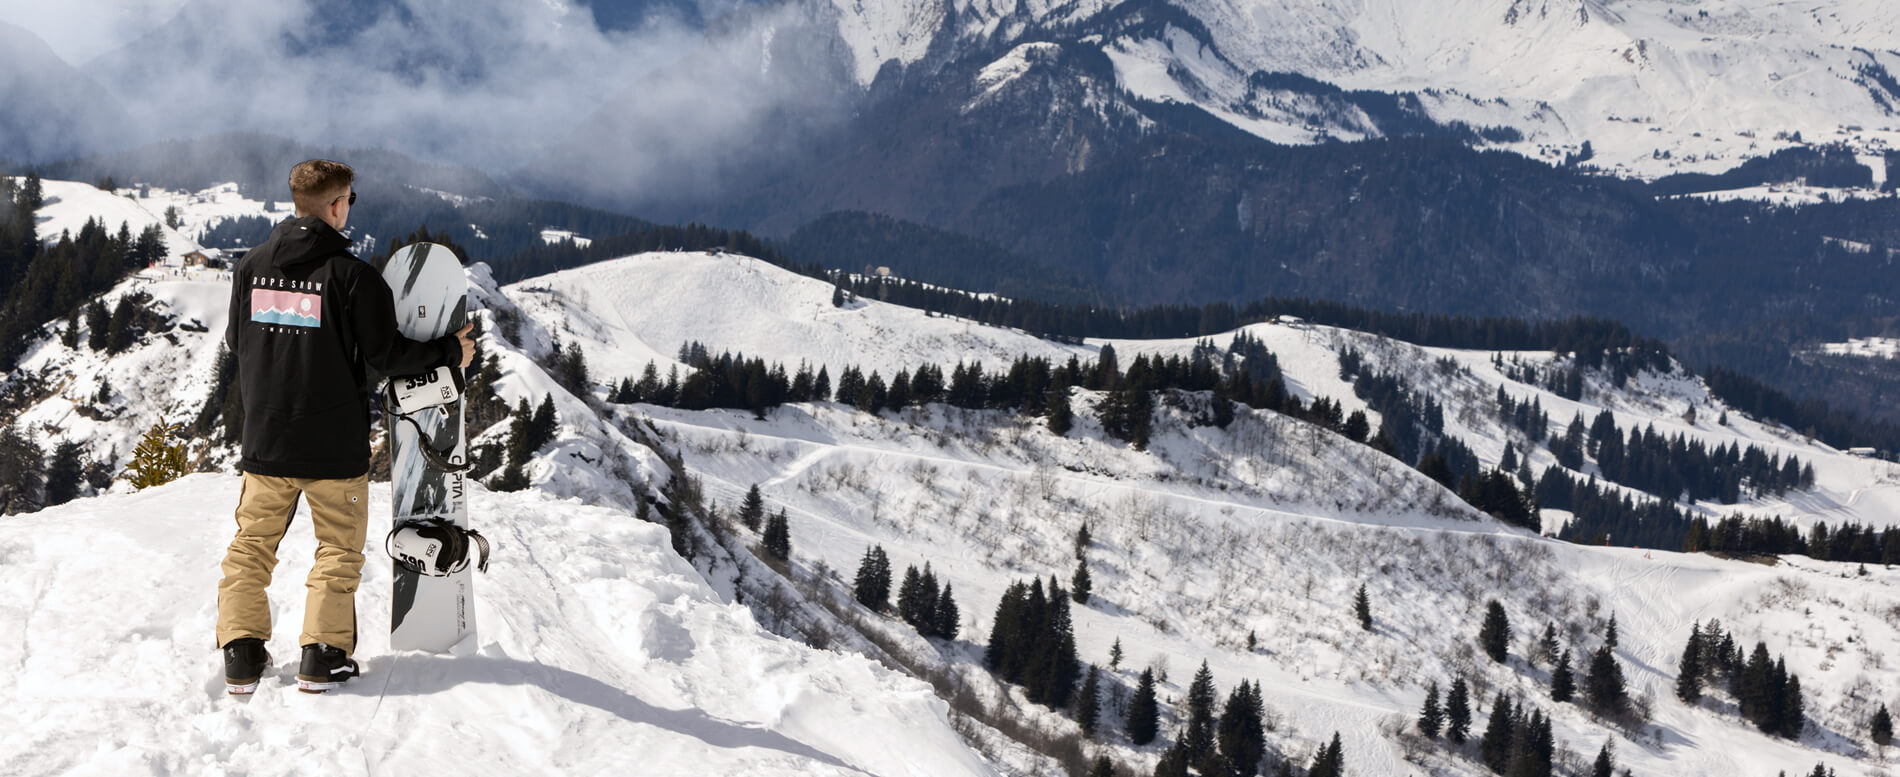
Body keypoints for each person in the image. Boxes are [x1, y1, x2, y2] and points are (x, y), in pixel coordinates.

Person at [217, 160, 473, 695]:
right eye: (349, 200)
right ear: (336, 205)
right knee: (337, 550)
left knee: (251, 547)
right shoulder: (353, 277)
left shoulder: (251, 267)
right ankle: (323, 656)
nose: (349, 208)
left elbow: (236, 345)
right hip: (334, 446)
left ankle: (241, 655)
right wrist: (453, 351)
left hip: (265, 441)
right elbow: (388, 355)